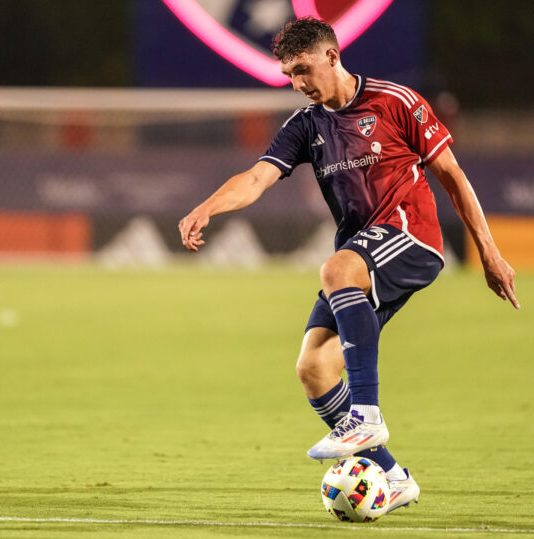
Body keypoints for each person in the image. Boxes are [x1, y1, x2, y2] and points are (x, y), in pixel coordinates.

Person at [178, 17, 518, 513]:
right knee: (313, 368)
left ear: (332, 56)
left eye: (302, 70)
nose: (297, 83)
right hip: (363, 254)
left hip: (412, 238)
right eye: (289, 75)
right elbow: (255, 178)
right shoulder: (305, 125)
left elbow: (453, 176)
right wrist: (206, 207)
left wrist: (489, 253)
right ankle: (393, 476)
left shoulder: (395, 101)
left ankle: (366, 413)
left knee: (335, 269)